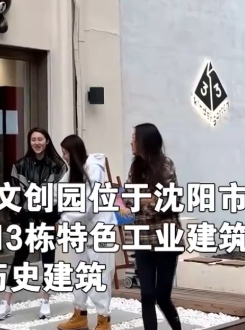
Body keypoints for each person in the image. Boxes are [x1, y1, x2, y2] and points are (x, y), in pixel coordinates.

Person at [0, 127, 67, 321]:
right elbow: (14, 195)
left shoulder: (58, 166)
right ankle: (6, 302)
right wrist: (17, 218)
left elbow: (63, 195)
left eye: (40, 139)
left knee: (48, 259)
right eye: (33, 139)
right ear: (29, 142)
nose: (37, 143)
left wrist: (59, 218)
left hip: (49, 218)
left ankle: (45, 300)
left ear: (47, 141)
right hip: (27, 217)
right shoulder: (19, 165)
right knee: (19, 257)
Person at [56, 135, 121, 330]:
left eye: (66, 153)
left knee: (99, 273)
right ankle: (79, 314)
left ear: (74, 152)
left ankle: (103, 319)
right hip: (81, 229)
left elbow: (87, 206)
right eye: (63, 153)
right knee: (79, 271)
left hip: (100, 228)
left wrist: (62, 219)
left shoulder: (94, 168)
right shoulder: (75, 169)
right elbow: (58, 190)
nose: (64, 157)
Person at [126, 123, 182, 330]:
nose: (131, 142)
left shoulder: (165, 165)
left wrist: (144, 200)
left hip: (166, 237)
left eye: (134, 138)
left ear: (145, 141)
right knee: (147, 294)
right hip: (142, 237)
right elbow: (128, 199)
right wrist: (148, 198)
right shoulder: (135, 167)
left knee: (162, 295)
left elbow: (171, 201)